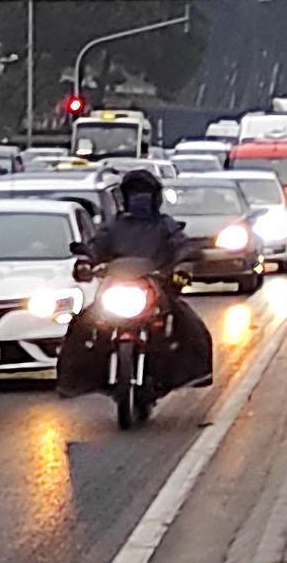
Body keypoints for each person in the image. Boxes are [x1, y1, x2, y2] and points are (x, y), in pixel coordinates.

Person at [58, 168, 216, 396]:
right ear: (125, 197)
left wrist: (182, 267)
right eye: (134, 193)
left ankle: (194, 372)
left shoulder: (165, 225)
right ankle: (76, 380)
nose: (139, 198)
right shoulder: (114, 226)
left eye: (144, 193)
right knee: (81, 326)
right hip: (117, 288)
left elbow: (183, 246)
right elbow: (95, 246)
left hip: (155, 289)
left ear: (155, 196)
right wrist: (85, 262)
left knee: (190, 324)